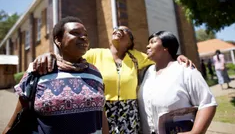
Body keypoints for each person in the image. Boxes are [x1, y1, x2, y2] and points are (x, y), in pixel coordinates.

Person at [31, 26, 192, 133]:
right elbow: (69, 58)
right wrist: (50, 55)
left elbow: (162, 56)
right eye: (116, 29)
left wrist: (178, 56)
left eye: (124, 30)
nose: (119, 30)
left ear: (130, 42)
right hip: (103, 111)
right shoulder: (96, 54)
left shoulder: (136, 56)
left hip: (130, 111)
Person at [3, 16, 109, 134]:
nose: (83, 37)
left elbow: (101, 114)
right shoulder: (39, 71)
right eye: (75, 33)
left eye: (86, 34)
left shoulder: (95, 73)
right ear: (58, 40)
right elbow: (14, 123)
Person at [138, 31, 217, 134]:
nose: (147, 46)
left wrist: (195, 132)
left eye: (152, 42)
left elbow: (207, 103)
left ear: (166, 47)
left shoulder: (185, 70)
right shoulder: (147, 71)